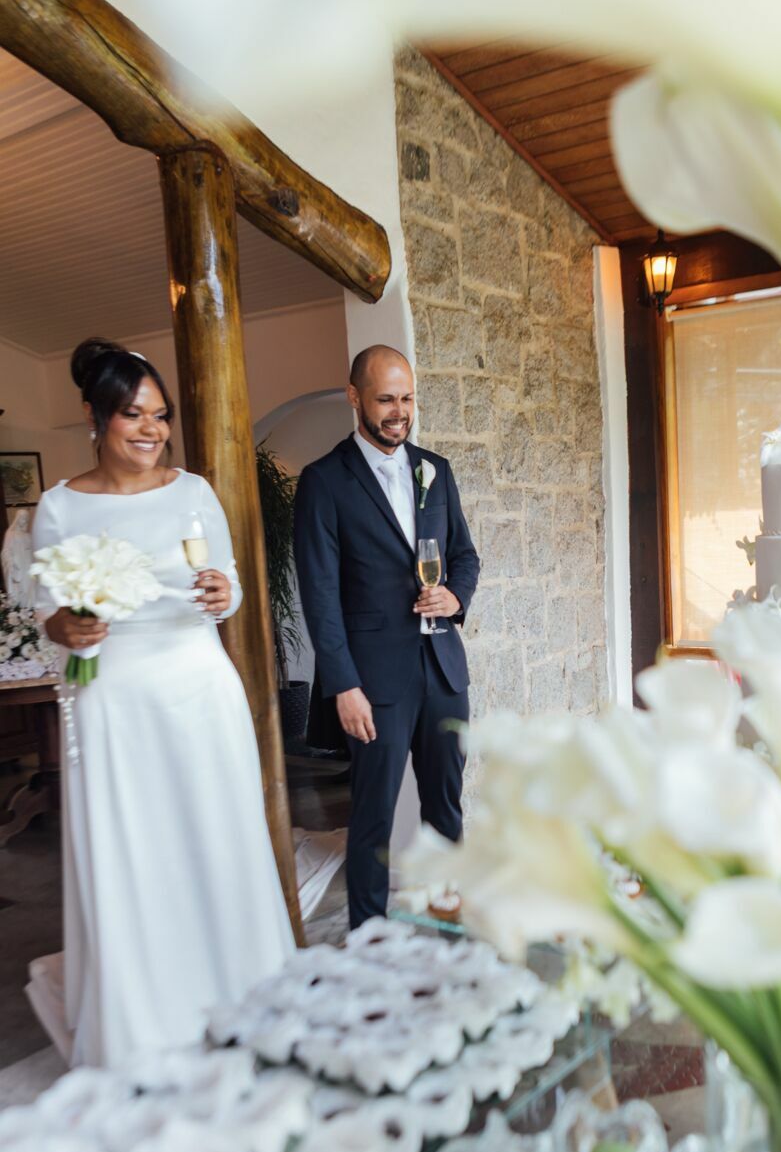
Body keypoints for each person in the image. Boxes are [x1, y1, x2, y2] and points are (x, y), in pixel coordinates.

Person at [28, 338, 294, 1067]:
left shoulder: (194, 492)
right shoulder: (59, 507)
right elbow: (48, 611)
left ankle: (241, 991)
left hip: (198, 685)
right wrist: (68, 627)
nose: (152, 429)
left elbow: (227, 584)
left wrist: (223, 593)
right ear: (96, 416)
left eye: (160, 414)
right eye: (133, 414)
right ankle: (146, 1016)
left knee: (216, 835)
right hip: (112, 696)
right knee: (135, 850)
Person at [294, 344, 480, 927]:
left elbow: (465, 556)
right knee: (372, 816)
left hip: (443, 667)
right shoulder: (324, 481)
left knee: (446, 809)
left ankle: (444, 923)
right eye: (386, 400)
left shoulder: (435, 470)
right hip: (374, 681)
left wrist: (455, 598)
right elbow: (320, 595)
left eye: (407, 399)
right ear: (354, 398)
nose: (400, 412)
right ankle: (370, 941)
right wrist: (344, 685)